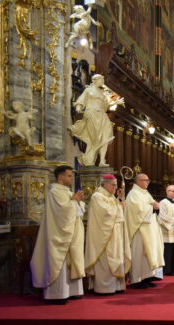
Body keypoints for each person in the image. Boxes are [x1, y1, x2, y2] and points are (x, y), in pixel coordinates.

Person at [30, 166, 85, 304]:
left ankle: (72, 291)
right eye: (69, 176)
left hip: (71, 233)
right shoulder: (54, 192)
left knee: (72, 260)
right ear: (60, 177)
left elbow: (76, 211)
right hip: (59, 234)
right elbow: (62, 212)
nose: (72, 178)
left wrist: (77, 202)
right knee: (59, 261)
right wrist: (74, 201)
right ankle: (57, 294)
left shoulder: (67, 192)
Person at [85, 174, 131, 295]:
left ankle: (117, 286)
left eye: (116, 185)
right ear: (105, 184)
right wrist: (119, 206)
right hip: (104, 235)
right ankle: (104, 288)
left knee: (116, 257)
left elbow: (115, 209)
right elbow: (106, 214)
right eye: (113, 185)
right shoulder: (97, 196)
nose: (115, 188)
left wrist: (118, 199)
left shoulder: (110, 196)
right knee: (106, 260)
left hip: (115, 233)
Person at [70, 74, 124, 167]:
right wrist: (79, 106)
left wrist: (116, 102)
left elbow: (106, 106)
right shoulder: (89, 90)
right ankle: (88, 159)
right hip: (92, 114)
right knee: (95, 139)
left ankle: (102, 161)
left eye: (103, 80)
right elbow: (82, 100)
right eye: (101, 80)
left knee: (105, 137)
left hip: (102, 115)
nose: (103, 82)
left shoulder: (103, 93)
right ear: (95, 80)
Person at [125, 173, 164, 289]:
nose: (148, 182)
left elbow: (151, 204)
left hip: (149, 229)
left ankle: (148, 278)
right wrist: (152, 207)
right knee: (141, 254)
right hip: (140, 230)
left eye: (148, 180)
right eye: (145, 180)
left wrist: (155, 206)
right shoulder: (133, 193)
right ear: (138, 181)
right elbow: (138, 210)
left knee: (149, 254)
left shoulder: (145, 192)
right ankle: (138, 280)